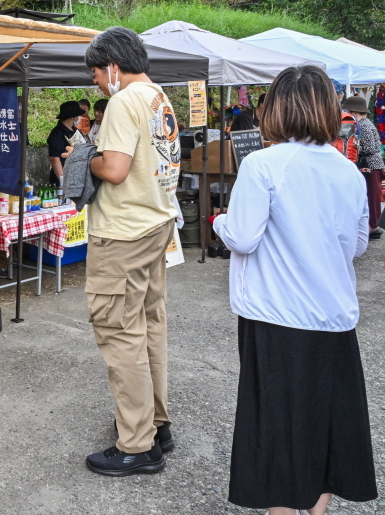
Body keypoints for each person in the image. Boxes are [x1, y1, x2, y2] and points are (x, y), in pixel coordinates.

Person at [213, 66, 377, 514]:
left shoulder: (263, 164)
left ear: (277, 109)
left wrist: (220, 221)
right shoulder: (347, 171)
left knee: (276, 430)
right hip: (334, 316)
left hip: (276, 316)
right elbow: (358, 244)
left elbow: (243, 236)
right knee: (322, 425)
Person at [82, 26, 180, 476]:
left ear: (113, 66)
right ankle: (156, 423)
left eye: (96, 74)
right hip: (157, 224)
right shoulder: (159, 98)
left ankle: (138, 445)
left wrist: (88, 157)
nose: (96, 83)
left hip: (123, 234)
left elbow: (116, 169)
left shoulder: (123, 101)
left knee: (120, 333)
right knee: (148, 325)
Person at [343, 95, 384, 239]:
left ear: (355, 111)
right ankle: (372, 225)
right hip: (373, 164)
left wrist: (356, 149)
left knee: (372, 196)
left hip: (370, 164)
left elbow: (370, 148)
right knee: (371, 195)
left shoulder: (363, 125)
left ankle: (373, 226)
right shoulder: (365, 123)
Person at [47, 101, 85, 186]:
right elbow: (54, 159)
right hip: (66, 177)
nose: (79, 118)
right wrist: (63, 182)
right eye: (77, 115)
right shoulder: (57, 133)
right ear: (71, 117)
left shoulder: (75, 130)